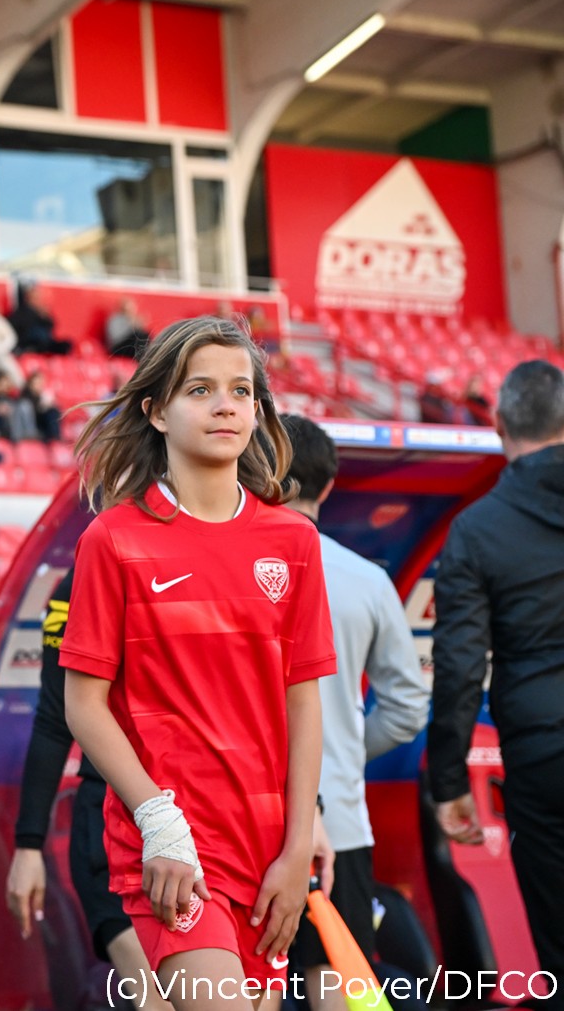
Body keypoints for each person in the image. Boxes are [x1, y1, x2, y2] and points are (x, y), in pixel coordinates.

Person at [61, 315, 335, 1002]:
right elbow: (83, 705)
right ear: (156, 411)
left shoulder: (294, 541)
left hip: (268, 848)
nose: (226, 406)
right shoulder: (113, 540)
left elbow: (304, 702)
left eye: (241, 391)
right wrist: (159, 822)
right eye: (201, 389)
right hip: (173, 847)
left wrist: (299, 841)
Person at [278, 415, 428, 1004]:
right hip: (338, 820)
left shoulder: (234, 571)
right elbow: (408, 707)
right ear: (330, 485)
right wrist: (339, 753)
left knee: (244, 982)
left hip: (250, 819)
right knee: (335, 981)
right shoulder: (366, 579)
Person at [428, 359, 564, 1002]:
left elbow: (459, 666)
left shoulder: (478, 529)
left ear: (501, 424)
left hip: (542, 756)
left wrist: (449, 782)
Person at [6, 572, 178, 1009]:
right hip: (113, 829)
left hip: (220, 820)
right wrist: (28, 845)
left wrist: (308, 809)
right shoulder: (84, 577)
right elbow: (55, 716)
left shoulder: (231, 560)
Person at [9, 282, 71, 356]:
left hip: (45, 342)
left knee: (65, 345)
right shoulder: (23, 312)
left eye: (37, 298)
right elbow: (13, 326)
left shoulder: (42, 312)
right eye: (34, 298)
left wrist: (44, 316)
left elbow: (51, 326)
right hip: (30, 342)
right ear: (27, 298)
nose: (36, 300)